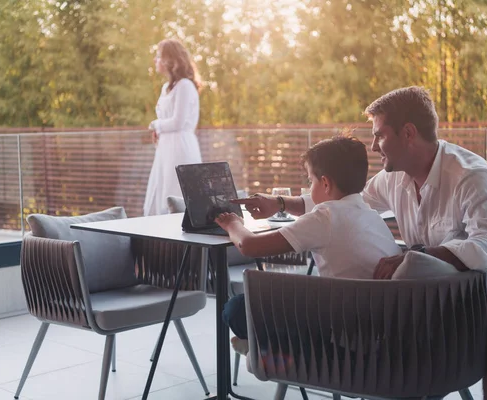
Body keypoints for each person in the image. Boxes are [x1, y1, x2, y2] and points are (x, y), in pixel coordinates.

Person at [236, 86, 487, 399]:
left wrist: (416, 256)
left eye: (379, 135)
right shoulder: (393, 178)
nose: (374, 146)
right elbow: (346, 200)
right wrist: (281, 203)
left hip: (474, 291)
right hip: (416, 295)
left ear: (407, 133)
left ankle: (267, 353)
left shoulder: (470, 175)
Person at [215, 135, 402, 355]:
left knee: (236, 308)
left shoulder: (326, 217)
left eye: (310, 181)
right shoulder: (369, 214)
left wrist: (232, 223)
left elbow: (249, 246)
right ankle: (264, 346)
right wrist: (278, 204)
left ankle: (267, 348)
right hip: (379, 332)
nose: (308, 187)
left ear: (325, 183)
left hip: (346, 343)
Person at [143, 38, 202, 216]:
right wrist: (159, 129)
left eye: (159, 56)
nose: (155, 60)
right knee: (161, 188)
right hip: (166, 148)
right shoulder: (166, 88)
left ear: (171, 61)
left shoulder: (185, 86)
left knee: (175, 189)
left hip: (180, 147)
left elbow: (178, 121)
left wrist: (156, 125)